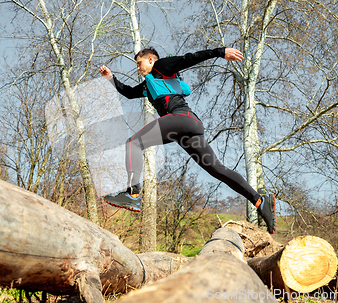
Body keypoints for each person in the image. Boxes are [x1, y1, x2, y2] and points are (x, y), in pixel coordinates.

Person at [98, 47, 276, 234]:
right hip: (189, 128)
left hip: (181, 119)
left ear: (150, 60)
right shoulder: (148, 86)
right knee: (217, 169)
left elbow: (189, 58)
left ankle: (133, 194)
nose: (138, 68)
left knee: (133, 143)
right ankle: (260, 201)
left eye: (139, 63)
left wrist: (220, 52)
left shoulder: (162, 66)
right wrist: (110, 78)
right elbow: (128, 92)